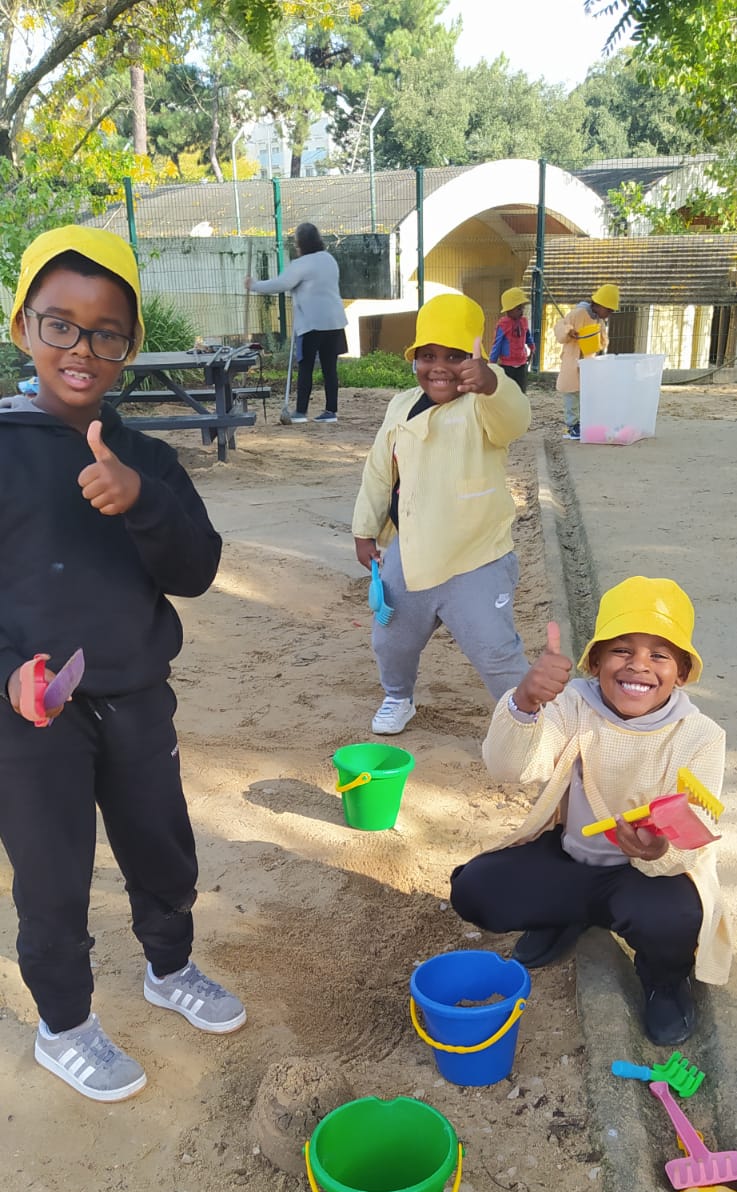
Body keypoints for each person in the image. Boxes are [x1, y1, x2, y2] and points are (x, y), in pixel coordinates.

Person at [0, 224, 246, 1104]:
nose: (82, 349)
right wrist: (8, 671)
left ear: (130, 345)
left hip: (137, 697)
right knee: (53, 878)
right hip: (30, 716)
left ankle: (169, 969)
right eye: (61, 325)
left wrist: (142, 502)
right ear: (23, 325)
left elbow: (197, 570)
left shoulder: (147, 459)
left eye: (107, 333)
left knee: (161, 849)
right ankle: (65, 1026)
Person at [450, 577, 731, 1046]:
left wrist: (658, 850)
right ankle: (565, 916)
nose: (638, 665)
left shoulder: (700, 736)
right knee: (476, 889)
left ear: (682, 673)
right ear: (595, 661)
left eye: (659, 655)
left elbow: (695, 831)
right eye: (621, 650)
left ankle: (664, 980)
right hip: (571, 858)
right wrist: (524, 703)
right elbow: (510, 767)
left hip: (643, 879)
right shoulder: (571, 704)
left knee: (676, 917)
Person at [352, 293, 531, 736]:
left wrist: (492, 384)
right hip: (410, 554)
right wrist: (364, 530)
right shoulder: (400, 405)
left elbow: (515, 420)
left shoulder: (482, 404)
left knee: (495, 649)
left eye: (455, 356)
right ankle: (397, 696)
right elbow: (379, 470)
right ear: (414, 359)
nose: (440, 367)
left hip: (476, 558)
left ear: (477, 358)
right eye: (428, 356)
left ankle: (528, 718)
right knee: (391, 638)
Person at [246, 222, 347, 423]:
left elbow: (281, 283)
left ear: (301, 243)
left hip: (311, 324)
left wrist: (254, 285)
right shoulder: (329, 259)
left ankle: (301, 412)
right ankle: (331, 412)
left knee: (305, 366)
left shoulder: (301, 264)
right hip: (334, 322)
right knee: (330, 368)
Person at [554, 282, 620, 440]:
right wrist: (569, 331)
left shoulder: (599, 320)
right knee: (571, 394)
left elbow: (603, 342)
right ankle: (572, 426)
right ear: (599, 304)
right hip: (572, 361)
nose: (609, 314)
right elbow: (560, 328)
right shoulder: (578, 313)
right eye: (608, 310)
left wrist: (598, 341)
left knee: (586, 395)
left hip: (588, 363)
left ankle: (583, 423)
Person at [490, 287, 535, 392]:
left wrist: (532, 347)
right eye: (519, 309)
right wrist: (492, 363)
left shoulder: (523, 321)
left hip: (522, 363)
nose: (522, 311)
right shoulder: (503, 324)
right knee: (508, 391)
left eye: (522, 308)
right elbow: (497, 344)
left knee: (521, 390)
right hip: (507, 365)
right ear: (509, 310)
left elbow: (527, 335)